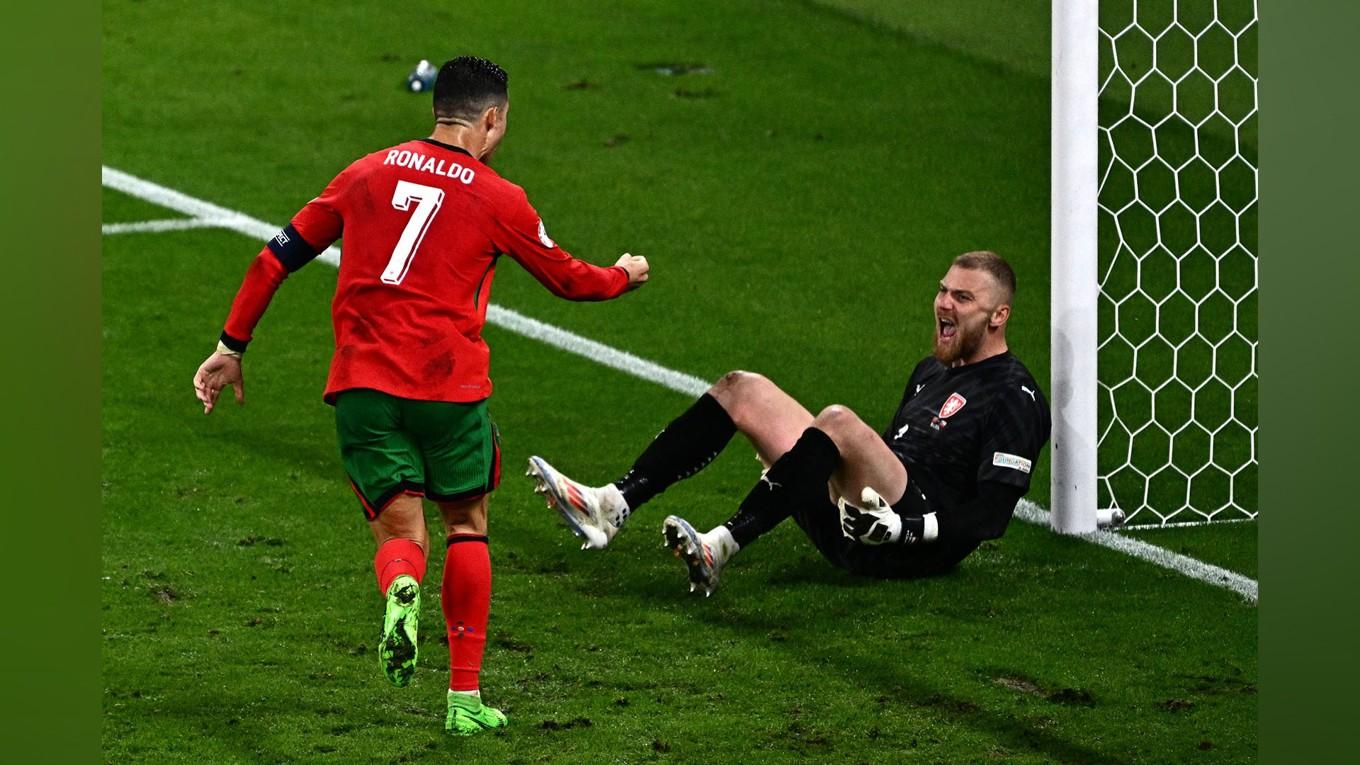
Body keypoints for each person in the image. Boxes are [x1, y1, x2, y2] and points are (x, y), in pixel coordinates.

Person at [192, 56, 649, 735]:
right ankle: (464, 698)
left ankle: (399, 585)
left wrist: (231, 347)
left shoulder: (366, 171)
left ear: (439, 109)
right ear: (491, 120)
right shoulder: (501, 198)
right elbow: (570, 280)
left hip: (364, 389)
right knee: (466, 525)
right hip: (450, 392)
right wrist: (623, 274)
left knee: (401, 533)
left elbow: (274, 258)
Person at [528, 251, 1047, 594]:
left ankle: (720, 546)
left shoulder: (1013, 395)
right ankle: (613, 504)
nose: (943, 303)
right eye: (943, 290)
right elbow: (887, 458)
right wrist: (808, 475)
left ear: (998, 316)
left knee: (838, 421)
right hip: (865, 523)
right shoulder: (931, 370)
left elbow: (991, 516)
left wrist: (905, 530)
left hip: (912, 547)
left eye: (963, 298)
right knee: (742, 388)